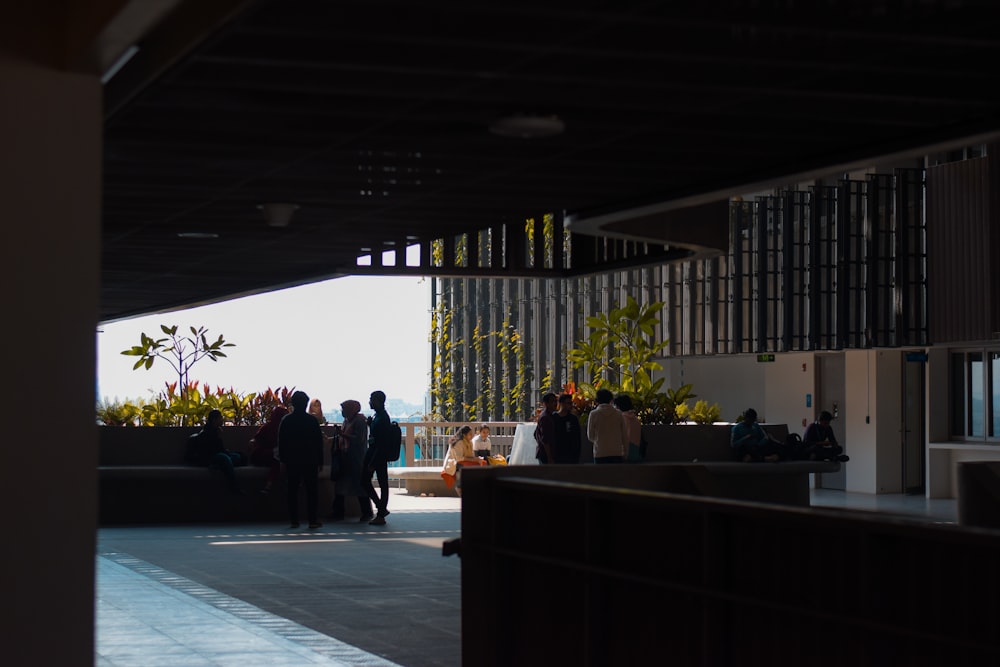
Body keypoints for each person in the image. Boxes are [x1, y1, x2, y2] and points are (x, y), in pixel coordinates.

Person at [278, 390, 325, 529]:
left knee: (292, 491)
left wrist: (283, 460)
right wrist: (320, 461)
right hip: (310, 460)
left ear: (293, 404)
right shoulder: (312, 421)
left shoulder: (286, 420)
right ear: (305, 404)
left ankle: (294, 520)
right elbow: (318, 443)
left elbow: (282, 442)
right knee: (312, 491)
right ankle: (312, 520)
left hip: (292, 460)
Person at [328, 399, 373, 522]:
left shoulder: (359, 421)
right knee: (342, 485)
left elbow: (358, 439)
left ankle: (366, 512)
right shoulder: (347, 420)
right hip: (346, 457)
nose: (342, 412)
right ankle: (339, 511)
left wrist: (341, 434)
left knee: (358, 485)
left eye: (344, 409)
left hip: (356, 458)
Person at [185, 409, 246, 493]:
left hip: (216, 456)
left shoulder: (215, 430)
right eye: (220, 418)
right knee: (225, 458)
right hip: (209, 458)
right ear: (214, 420)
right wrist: (223, 448)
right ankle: (233, 486)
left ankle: (218, 465)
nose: (222, 419)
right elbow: (212, 450)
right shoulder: (207, 433)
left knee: (237, 456)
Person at [363, 390, 393, 525]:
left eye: (371, 399)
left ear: (378, 401)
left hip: (377, 455)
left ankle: (381, 512)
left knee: (377, 482)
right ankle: (381, 509)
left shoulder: (382, 418)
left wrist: (373, 462)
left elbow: (381, 442)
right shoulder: (379, 417)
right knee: (379, 483)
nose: (370, 402)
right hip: (376, 454)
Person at [248, 405, 287, 494]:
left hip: (274, 457)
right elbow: (256, 438)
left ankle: (268, 486)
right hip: (262, 455)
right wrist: (252, 442)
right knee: (277, 461)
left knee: (278, 462)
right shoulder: (267, 427)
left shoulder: (285, 428)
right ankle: (269, 486)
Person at [587, 388, 629, 464]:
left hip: (600, 452)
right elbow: (624, 435)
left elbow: (590, 436)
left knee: (601, 475)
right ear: (611, 399)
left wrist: (599, 441)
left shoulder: (593, 414)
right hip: (617, 452)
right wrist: (625, 452)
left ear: (597, 400)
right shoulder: (618, 414)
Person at [441, 426, 484, 495]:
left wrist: (477, 459)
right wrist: (474, 459)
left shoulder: (470, 442)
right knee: (465, 469)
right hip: (453, 463)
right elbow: (459, 458)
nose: (472, 435)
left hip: (464, 461)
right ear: (464, 435)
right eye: (470, 434)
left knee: (479, 465)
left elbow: (471, 456)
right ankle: (459, 487)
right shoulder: (459, 442)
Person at [552, 393, 582, 463]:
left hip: (571, 455)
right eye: (568, 403)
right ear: (561, 403)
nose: (571, 405)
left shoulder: (573, 418)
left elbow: (577, 437)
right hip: (557, 454)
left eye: (571, 403)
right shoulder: (554, 418)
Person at [614, 394, 643, 463]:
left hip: (625, 453)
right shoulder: (635, 419)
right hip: (636, 453)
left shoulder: (622, 418)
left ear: (619, 406)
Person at [533, 393, 559, 464]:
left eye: (556, 401)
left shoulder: (549, 415)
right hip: (546, 455)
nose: (555, 404)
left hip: (543, 453)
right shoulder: (545, 418)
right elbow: (545, 440)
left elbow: (535, 434)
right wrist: (549, 457)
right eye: (552, 402)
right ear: (546, 404)